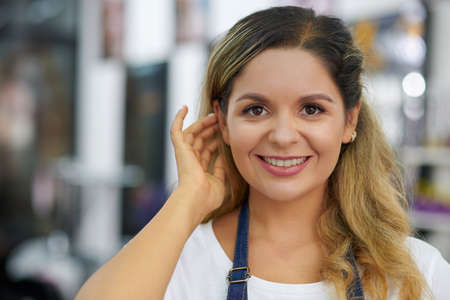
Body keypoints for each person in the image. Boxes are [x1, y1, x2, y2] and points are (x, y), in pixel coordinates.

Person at [75, 6, 450, 300]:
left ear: (349, 121)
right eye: (256, 109)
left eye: (311, 109)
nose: (284, 136)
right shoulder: (176, 260)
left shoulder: (417, 272)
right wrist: (187, 200)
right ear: (222, 122)